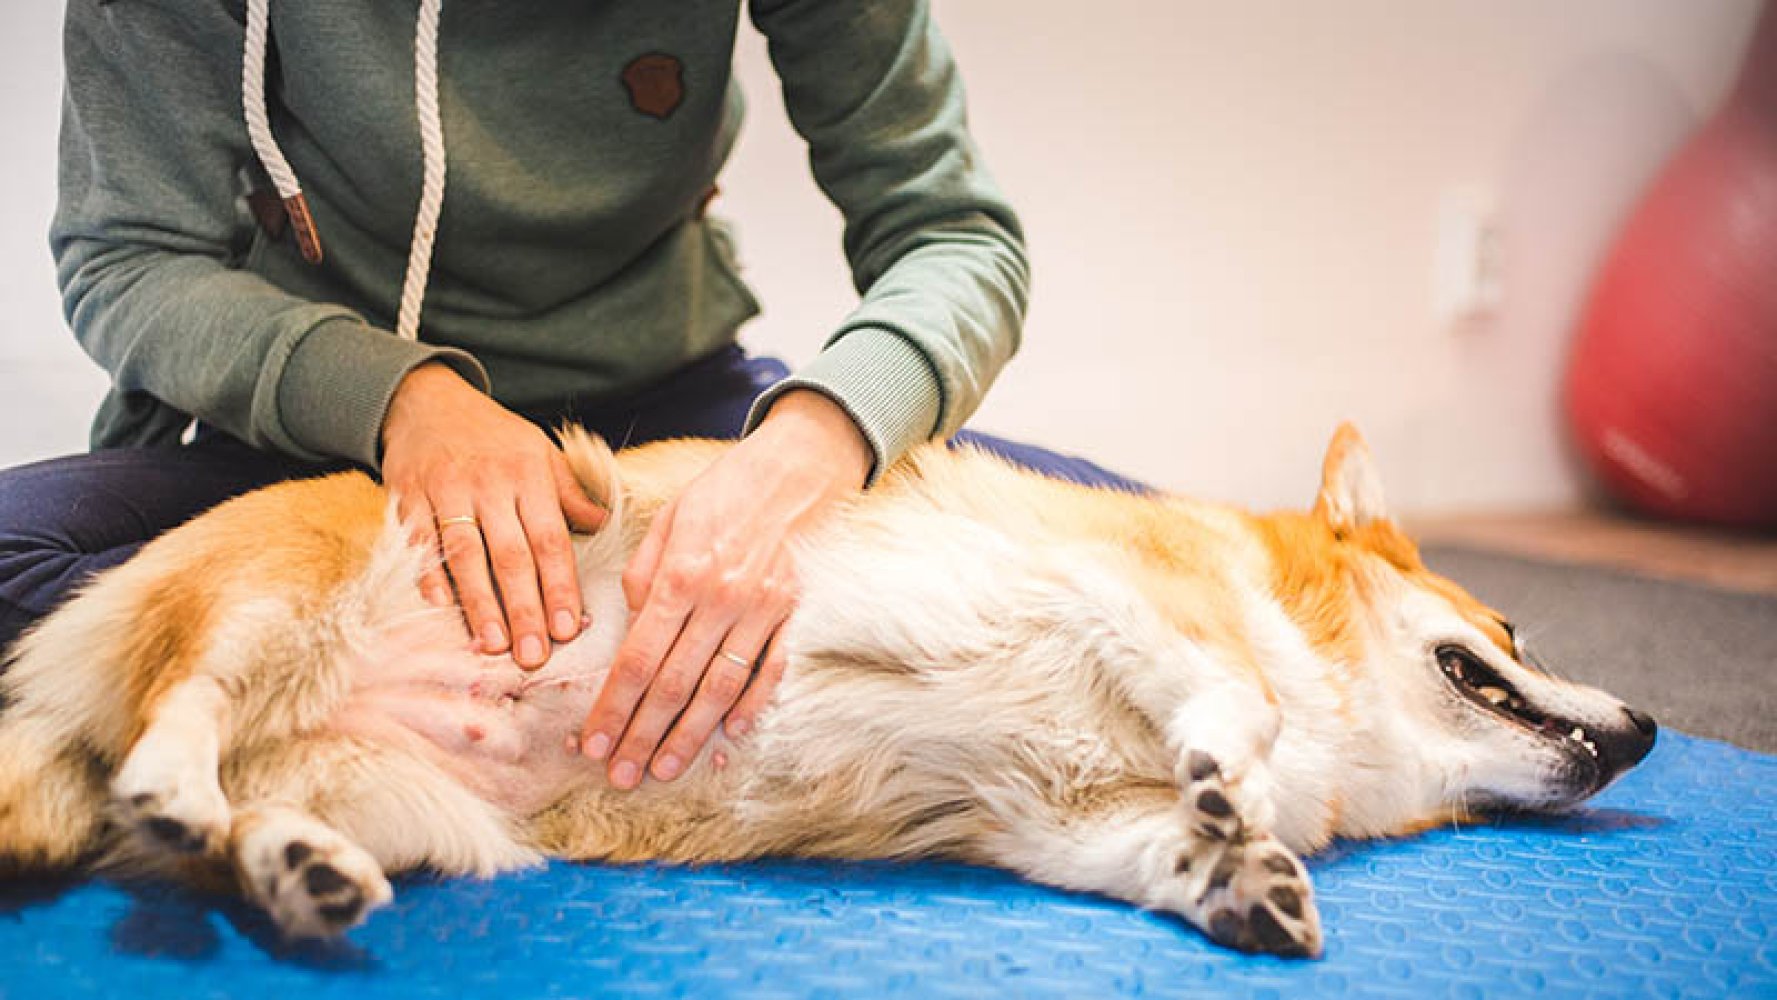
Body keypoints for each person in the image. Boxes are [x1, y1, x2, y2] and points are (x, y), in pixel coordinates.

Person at [0, 1, 1126, 791]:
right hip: (306, 443)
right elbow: (128, 259)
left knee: (1123, 548)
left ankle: (406, 694)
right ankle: (327, 687)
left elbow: (955, 235)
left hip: (665, 419)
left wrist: (805, 453)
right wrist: (405, 403)